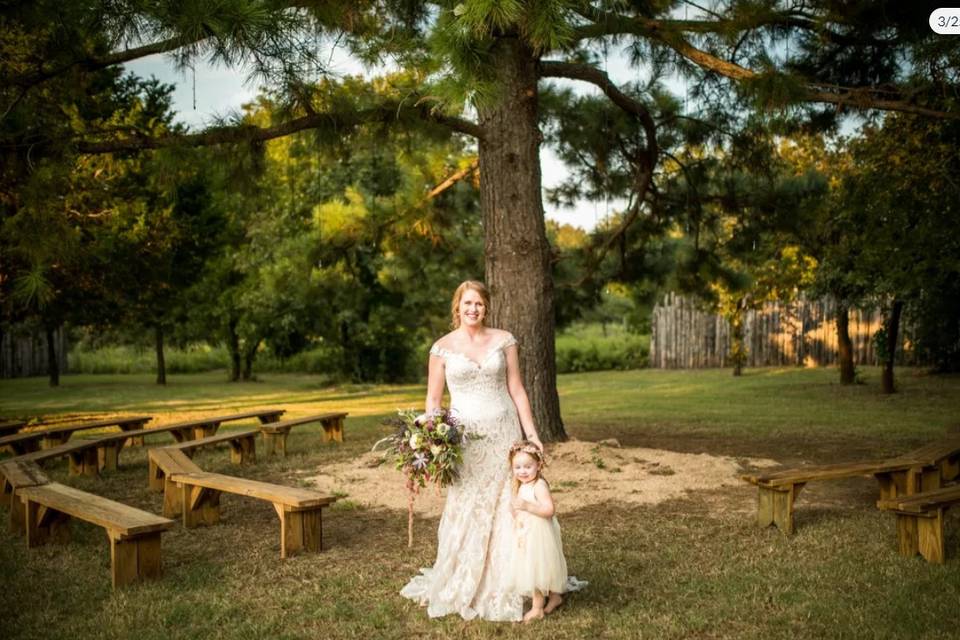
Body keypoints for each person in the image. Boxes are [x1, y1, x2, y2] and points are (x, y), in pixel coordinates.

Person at [400, 280, 545, 621]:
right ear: (457, 307)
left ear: (486, 307)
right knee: (468, 504)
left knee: (507, 503)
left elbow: (518, 390)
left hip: (504, 434)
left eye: (478, 303)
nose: (473, 309)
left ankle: (515, 580)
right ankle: (465, 578)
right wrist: (433, 439)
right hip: (465, 441)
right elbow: (434, 401)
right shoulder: (441, 349)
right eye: (467, 303)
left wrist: (532, 434)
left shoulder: (504, 340)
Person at [506, 441, 568, 623]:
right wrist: (516, 512)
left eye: (527, 466)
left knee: (536, 568)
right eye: (517, 467)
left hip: (539, 534)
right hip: (527, 532)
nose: (522, 471)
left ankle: (537, 608)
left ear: (538, 465)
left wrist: (526, 506)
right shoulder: (522, 485)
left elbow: (549, 510)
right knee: (544, 566)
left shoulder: (539, 485)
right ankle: (555, 596)